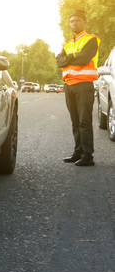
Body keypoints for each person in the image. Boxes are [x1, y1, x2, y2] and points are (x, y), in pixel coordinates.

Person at [56, 9, 100, 167]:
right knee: (75, 121)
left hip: (83, 85)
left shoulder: (91, 40)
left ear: (84, 22)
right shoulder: (68, 44)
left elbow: (84, 58)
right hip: (69, 85)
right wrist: (71, 57)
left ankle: (88, 155)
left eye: (77, 21)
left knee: (84, 120)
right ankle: (78, 151)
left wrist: (69, 58)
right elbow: (59, 62)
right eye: (72, 21)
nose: (74, 23)